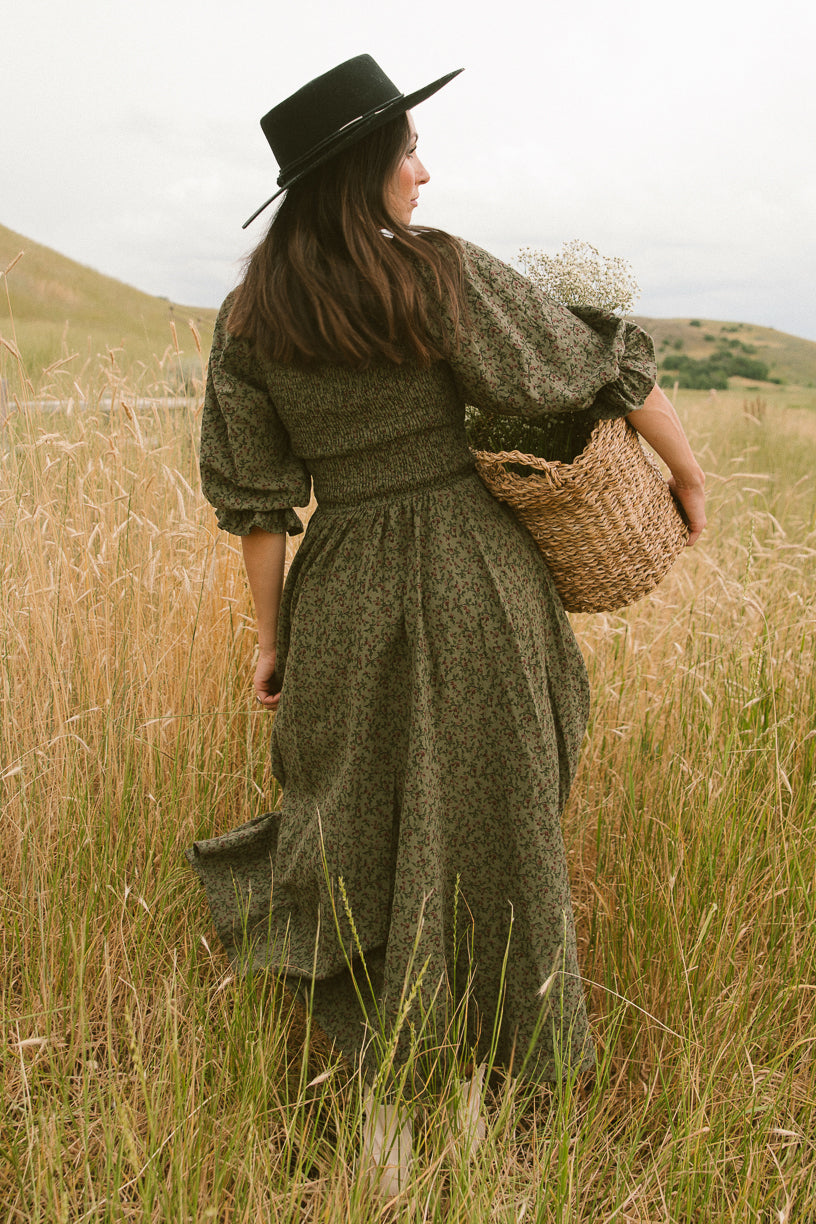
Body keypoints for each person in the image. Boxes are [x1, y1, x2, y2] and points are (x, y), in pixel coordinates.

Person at [187, 53, 706, 1188]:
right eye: (407, 150)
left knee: (358, 837)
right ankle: (479, 1099)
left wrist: (272, 642)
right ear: (361, 169)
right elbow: (592, 361)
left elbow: (259, 508)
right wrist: (688, 474)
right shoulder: (436, 276)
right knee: (503, 824)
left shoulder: (251, 316)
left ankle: (388, 1120)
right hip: (477, 574)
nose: (424, 171)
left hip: (344, 592)